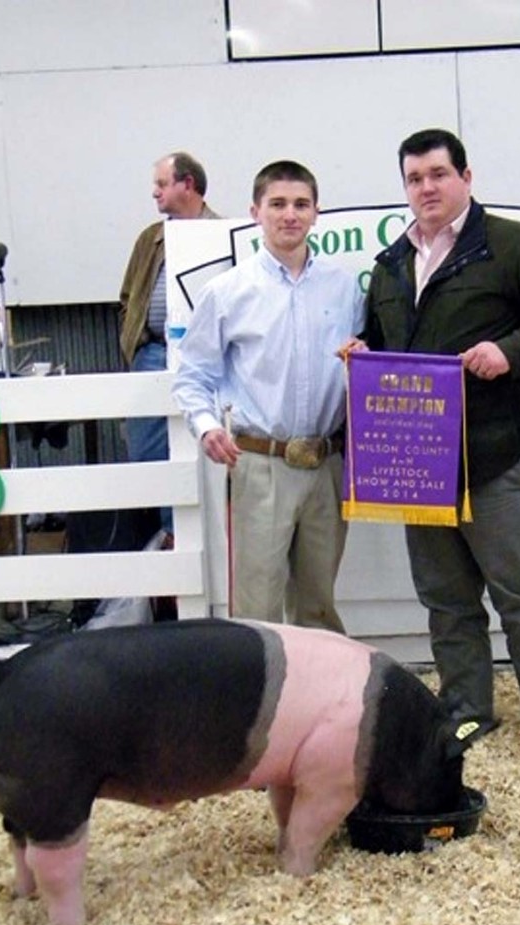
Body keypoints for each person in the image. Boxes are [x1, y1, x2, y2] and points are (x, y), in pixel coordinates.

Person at [348, 128, 520, 766]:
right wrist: (363, 355)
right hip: (420, 466)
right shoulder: (391, 263)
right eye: (414, 178)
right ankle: (465, 713)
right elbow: (384, 343)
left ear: (466, 177)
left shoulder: (513, 245)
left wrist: (509, 352)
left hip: (496, 457)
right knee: (447, 602)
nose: (426, 188)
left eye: (437, 174)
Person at [172, 159, 365, 631]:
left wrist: (362, 360)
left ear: (317, 213)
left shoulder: (345, 289)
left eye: (301, 204)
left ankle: (316, 700)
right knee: (257, 605)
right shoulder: (229, 291)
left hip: (327, 464)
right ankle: (257, 701)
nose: (289, 215)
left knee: (318, 602)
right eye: (277, 204)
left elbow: (363, 370)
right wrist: (207, 426)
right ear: (255, 211)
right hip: (260, 464)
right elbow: (191, 373)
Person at [119, 151, 220, 531]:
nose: (155, 193)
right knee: (147, 453)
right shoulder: (151, 238)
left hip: (208, 358)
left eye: (162, 184)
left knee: (204, 451)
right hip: (154, 352)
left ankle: (196, 549)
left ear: (188, 185)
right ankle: (165, 540)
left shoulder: (225, 233)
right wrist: (135, 342)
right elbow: (128, 296)